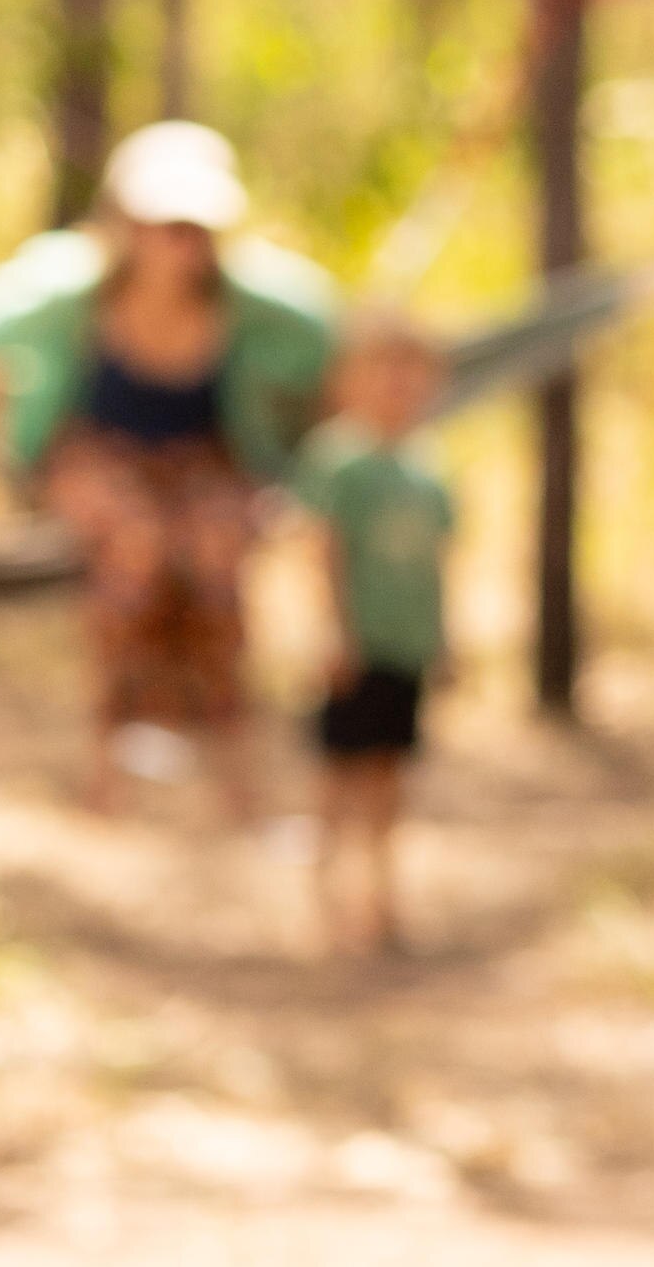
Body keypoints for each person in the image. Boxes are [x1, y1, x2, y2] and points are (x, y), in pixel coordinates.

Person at [0, 120, 341, 815]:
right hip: (98, 458)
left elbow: (333, 353)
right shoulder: (64, 290)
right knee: (135, 551)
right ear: (127, 223)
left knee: (216, 556)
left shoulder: (261, 305)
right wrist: (3, 451)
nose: (182, 243)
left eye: (197, 227)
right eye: (167, 224)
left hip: (207, 465)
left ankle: (228, 769)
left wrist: (303, 466)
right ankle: (112, 764)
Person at [289, 307, 456, 954]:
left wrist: (443, 638)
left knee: (391, 777)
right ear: (349, 378)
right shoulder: (337, 461)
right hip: (352, 649)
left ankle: (382, 901)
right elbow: (319, 551)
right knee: (335, 777)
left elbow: (439, 562)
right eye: (383, 367)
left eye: (412, 370)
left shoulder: (428, 469)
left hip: (405, 646)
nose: (398, 383)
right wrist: (331, 632)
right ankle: (322, 904)